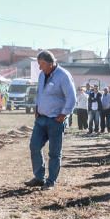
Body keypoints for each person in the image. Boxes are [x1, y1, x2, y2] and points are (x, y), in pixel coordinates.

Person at [27, 51, 76, 190]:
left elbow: (72, 98)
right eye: (39, 65)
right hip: (41, 119)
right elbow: (40, 93)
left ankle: (51, 181)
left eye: (42, 64)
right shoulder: (42, 75)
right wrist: (37, 107)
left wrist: (64, 114)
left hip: (56, 121)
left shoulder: (63, 76)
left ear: (51, 63)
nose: (40, 68)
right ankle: (39, 177)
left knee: (54, 153)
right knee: (34, 146)